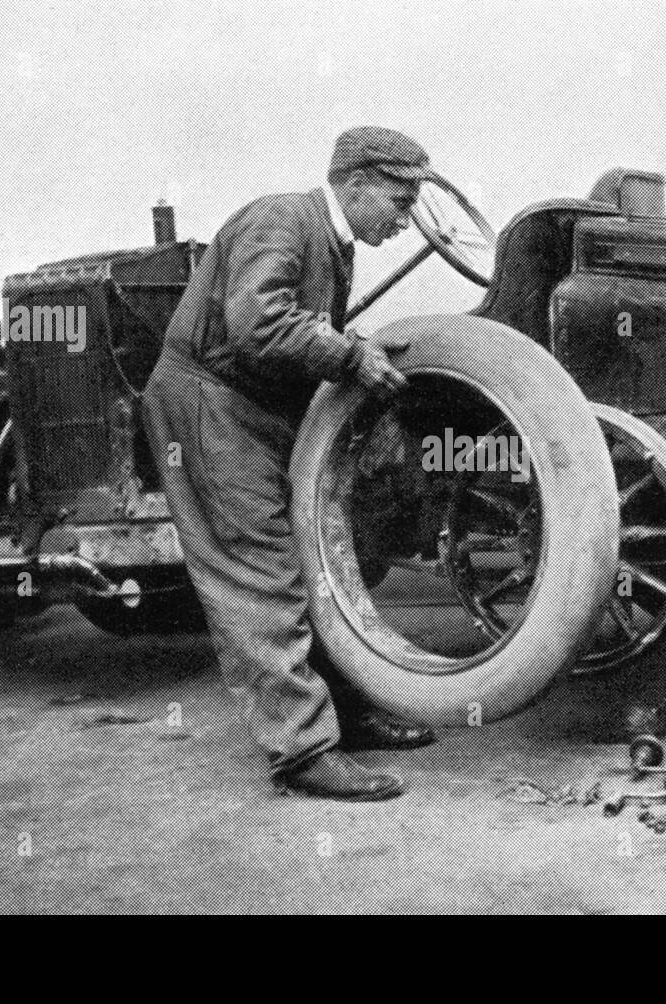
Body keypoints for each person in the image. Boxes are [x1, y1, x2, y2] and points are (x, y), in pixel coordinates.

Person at [142, 127, 439, 801]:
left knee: (316, 556)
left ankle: (345, 716)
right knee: (259, 573)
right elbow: (259, 325)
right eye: (400, 199)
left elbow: (289, 334)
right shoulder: (282, 218)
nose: (406, 217)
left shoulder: (332, 242)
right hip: (209, 408)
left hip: (253, 409)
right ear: (356, 183)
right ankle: (303, 752)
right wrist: (349, 355)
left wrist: (350, 349)